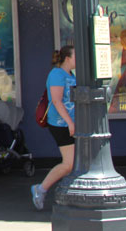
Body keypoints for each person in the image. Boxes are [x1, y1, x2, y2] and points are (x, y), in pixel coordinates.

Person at [31, 45, 76, 210]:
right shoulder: (57, 74)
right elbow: (56, 101)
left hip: (71, 124)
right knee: (69, 163)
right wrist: (70, 123)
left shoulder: (71, 74)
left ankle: (69, 193)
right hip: (61, 124)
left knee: (75, 162)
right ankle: (41, 189)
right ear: (67, 58)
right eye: (76, 55)